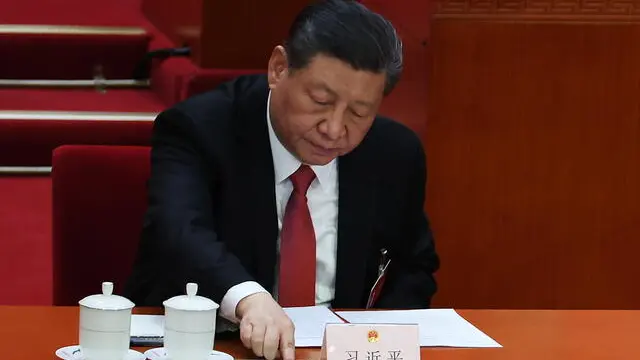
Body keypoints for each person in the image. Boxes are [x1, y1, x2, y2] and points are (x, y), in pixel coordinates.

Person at [125, 0, 439, 359]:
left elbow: (414, 267)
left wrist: (373, 342)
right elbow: (178, 231)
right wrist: (248, 299)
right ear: (278, 68)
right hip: (210, 344)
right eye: (321, 100)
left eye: (359, 112)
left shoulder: (394, 153)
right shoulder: (200, 128)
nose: (334, 129)